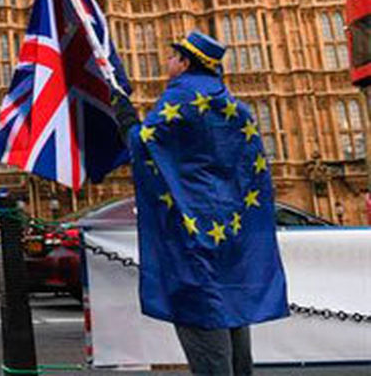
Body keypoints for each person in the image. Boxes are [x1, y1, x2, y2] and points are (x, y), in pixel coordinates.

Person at [112, 31, 287, 376]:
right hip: (232, 238)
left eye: (172, 57)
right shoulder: (236, 108)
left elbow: (145, 146)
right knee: (234, 328)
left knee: (205, 332)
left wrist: (124, 113)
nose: (167, 63)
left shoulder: (182, 98)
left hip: (193, 239)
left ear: (185, 62)